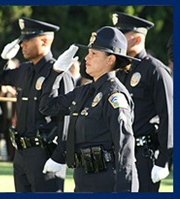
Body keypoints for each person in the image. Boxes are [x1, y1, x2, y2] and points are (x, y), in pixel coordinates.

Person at [39, 26, 139, 192]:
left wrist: (125, 191)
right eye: (88, 53)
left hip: (106, 182)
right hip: (82, 180)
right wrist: (56, 72)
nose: (87, 58)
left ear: (110, 60)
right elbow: (47, 107)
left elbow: (125, 148)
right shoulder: (84, 91)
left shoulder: (115, 96)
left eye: (94, 54)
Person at [0, 17, 74, 192]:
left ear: (44, 41)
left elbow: (67, 119)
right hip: (21, 153)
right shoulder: (24, 70)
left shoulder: (59, 72)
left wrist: (59, 157)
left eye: (27, 40)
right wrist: (3, 58)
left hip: (44, 153)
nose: (23, 45)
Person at [112, 12, 173, 192]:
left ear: (137, 40)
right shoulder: (119, 71)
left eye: (121, 36)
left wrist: (163, 161)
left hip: (144, 156)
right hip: (118, 154)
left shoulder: (155, 70)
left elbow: (168, 116)